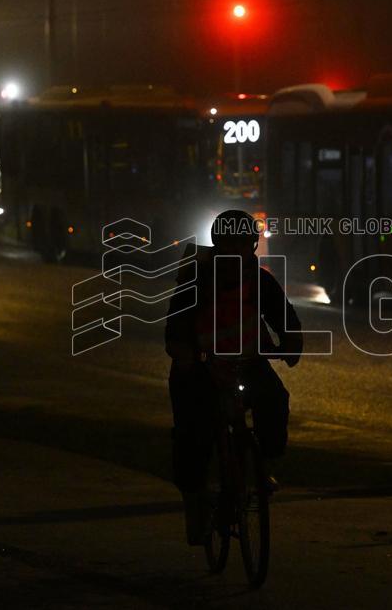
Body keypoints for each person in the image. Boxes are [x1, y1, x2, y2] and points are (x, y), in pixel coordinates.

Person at [165, 209, 303, 545]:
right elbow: (177, 323)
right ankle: (196, 505)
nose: (237, 250)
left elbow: (283, 315)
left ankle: (261, 468)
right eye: (231, 243)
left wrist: (290, 345)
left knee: (274, 400)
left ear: (251, 246)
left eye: (243, 243)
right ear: (218, 243)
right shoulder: (197, 277)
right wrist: (183, 354)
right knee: (194, 433)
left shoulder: (258, 279)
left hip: (246, 363)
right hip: (201, 368)